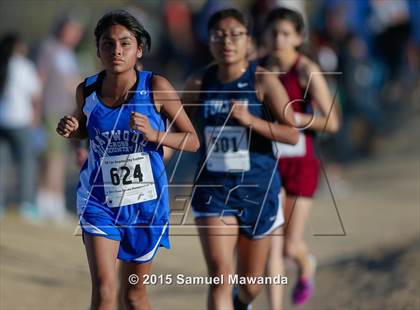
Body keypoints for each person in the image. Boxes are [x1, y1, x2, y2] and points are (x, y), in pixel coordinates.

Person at [56, 10, 199, 309]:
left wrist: (155, 135)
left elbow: (193, 140)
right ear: (97, 50)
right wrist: (71, 130)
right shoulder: (88, 89)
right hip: (98, 201)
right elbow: (85, 129)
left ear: (139, 49)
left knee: (133, 297)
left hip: (145, 204)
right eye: (107, 44)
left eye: (125, 43)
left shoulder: (156, 87)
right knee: (105, 290)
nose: (116, 51)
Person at [183, 8, 298, 310]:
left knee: (251, 285)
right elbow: (171, 127)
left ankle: (240, 302)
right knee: (220, 275)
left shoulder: (263, 81)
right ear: (209, 42)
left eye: (235, 35)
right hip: (213, 190)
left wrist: (252, 121)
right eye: (218, 36)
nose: (227, 42)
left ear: (249, 41)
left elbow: (292, 135)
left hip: (257, 191)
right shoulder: (199, 82)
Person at [260, 7, 340, 308]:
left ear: (298, 38)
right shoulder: (257, 68)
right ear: (265, 35)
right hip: (267, 162)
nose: (278, 39)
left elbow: (332, 122)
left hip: (300, 163)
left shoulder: (305, 70)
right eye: (273, 32)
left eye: (285, 33)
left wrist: (294, 117)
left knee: (290, 246)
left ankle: (306, 264)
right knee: (272, 243)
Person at [37, 14, 83, 222]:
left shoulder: (68, 53)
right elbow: (40, 79)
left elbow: (72, 82)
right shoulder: (50, 48)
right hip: (52, 110)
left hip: (67, 112)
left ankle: (53, 201)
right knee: (53, 157)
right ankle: (46, 203)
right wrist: (36, 110)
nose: (75, 35)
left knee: (60, 157)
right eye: (72, 30)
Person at [0, 33, 42, 220]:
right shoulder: (24, 66)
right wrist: (36, 118)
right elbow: (35, 94)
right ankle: (26, 203)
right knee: (26, 163)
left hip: (2, 121)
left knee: (2, 164)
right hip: (20, 121)